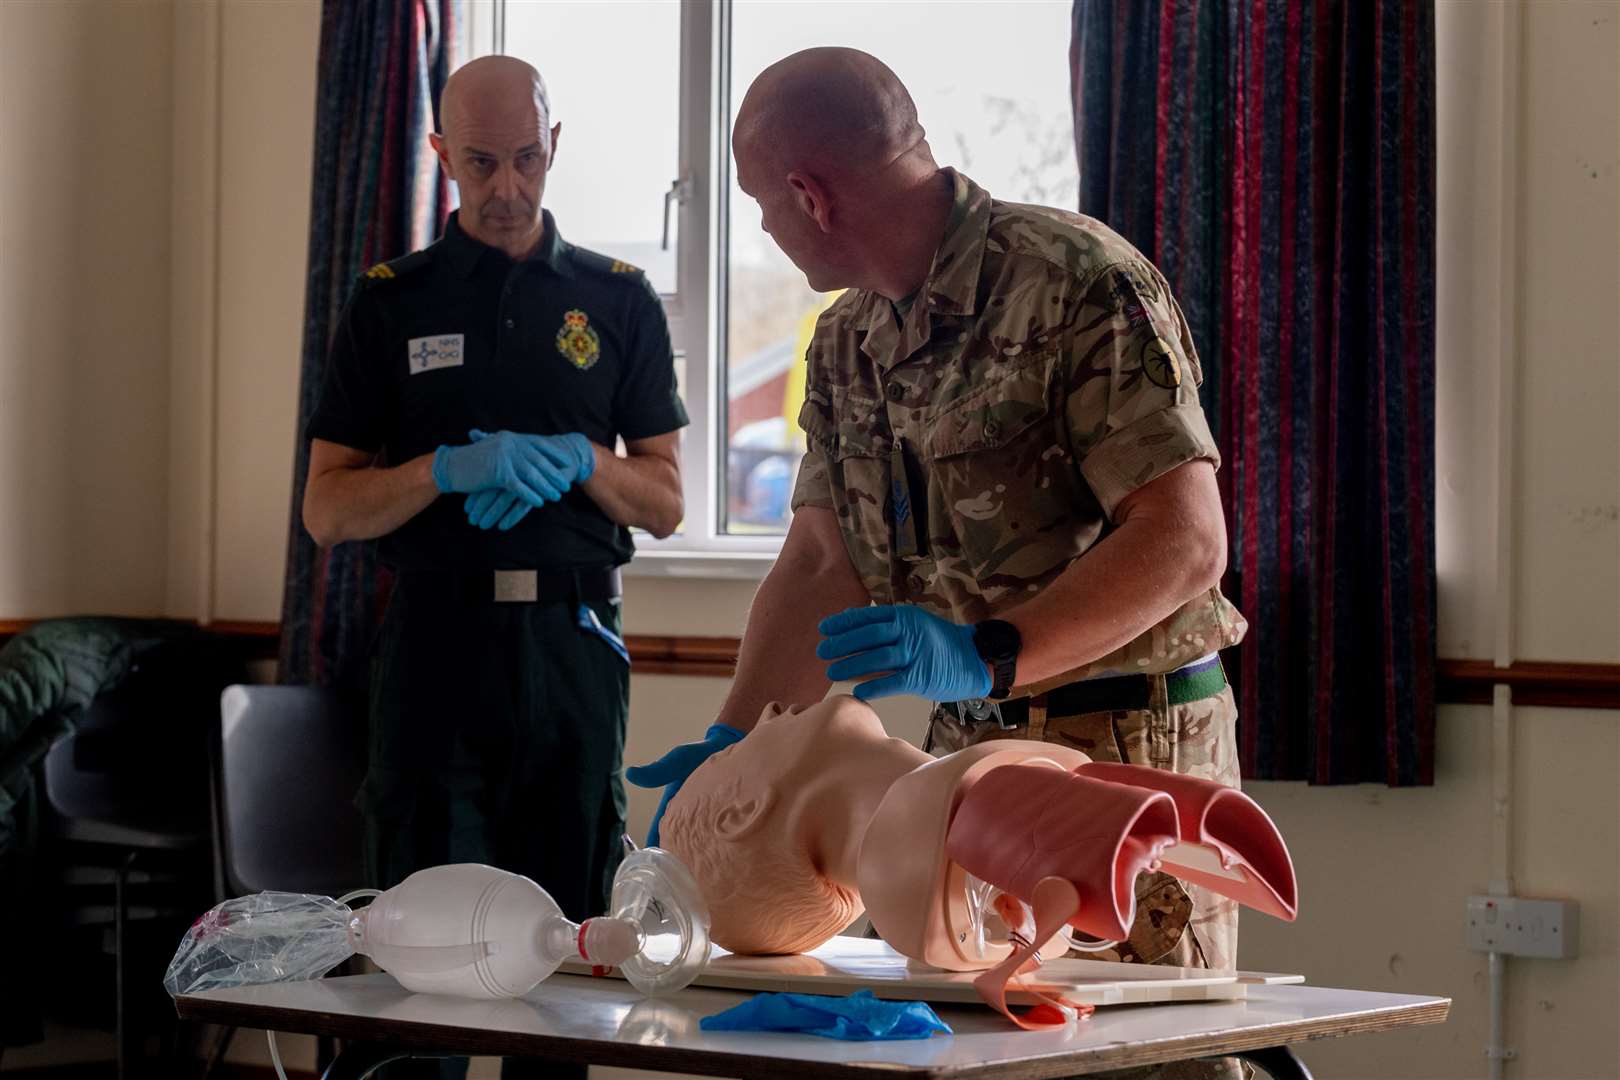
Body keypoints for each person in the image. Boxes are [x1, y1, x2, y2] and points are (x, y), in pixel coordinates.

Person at [628, 45, 1247, 1077]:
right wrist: (734, 738)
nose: (766, 230)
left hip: (1129, 739)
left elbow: (1184, 537)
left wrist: (991, 650)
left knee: (1144, 1058)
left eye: (759, 204)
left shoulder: (1075, 281)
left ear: (808, 194)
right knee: (975, 1046)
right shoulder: (842, 344)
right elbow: (824, 560)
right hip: (958, 758)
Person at [302, 55, 686, 1080]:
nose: (509, 186)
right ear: (441, 157)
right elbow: (328, 509)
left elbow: (665, 500)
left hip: (572, 642)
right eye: (481, 163)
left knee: (563, 952)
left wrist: (582, 461)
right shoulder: (390, 301)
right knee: (421, 948)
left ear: (554, 145)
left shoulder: (616, 299)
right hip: (437, 641)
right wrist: (441, 468)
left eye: (526, 158)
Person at [658, 695, 1295, 1029]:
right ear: (743, 813)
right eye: (728, 758)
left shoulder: (946, 818)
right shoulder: (938, 818)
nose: (767, 713)